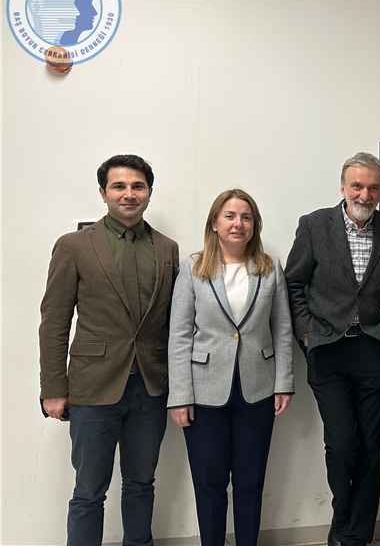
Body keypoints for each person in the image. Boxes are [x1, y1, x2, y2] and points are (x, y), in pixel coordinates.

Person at [39, 154, 179, 546]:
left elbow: (173, 322)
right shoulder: (74, 246)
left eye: (137, 186)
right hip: (93, 389)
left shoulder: (167, 249)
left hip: (150, 388)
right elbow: (54, 320)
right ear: (103, 193)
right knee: (88, 491)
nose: (128, 194)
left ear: (149, 192)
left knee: (141, 483)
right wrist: (53, 388)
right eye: (119, 186)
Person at [284, 152, 380, 546]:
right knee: (342, 444)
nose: (365, 194)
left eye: (373, 187)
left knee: (372, 447)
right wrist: (306, 334)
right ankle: (342, 522)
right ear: (343, 187)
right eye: (357, 185)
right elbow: (293, 283)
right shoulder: (313, 225)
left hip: (376, 348)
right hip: (327, 349)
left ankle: (356, 537)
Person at [167, 188, 295, 545]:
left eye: (246, 217)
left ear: (255, 225)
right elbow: (179, 335)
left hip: (259, 389)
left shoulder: (269, 268)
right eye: (230, 216)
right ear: (214, 223)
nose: (238, 223)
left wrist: (284, 382)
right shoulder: (193, 268)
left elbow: (282, 329)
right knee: (209, 484)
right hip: (204, 392)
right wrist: (180, 395)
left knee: (250, 482)